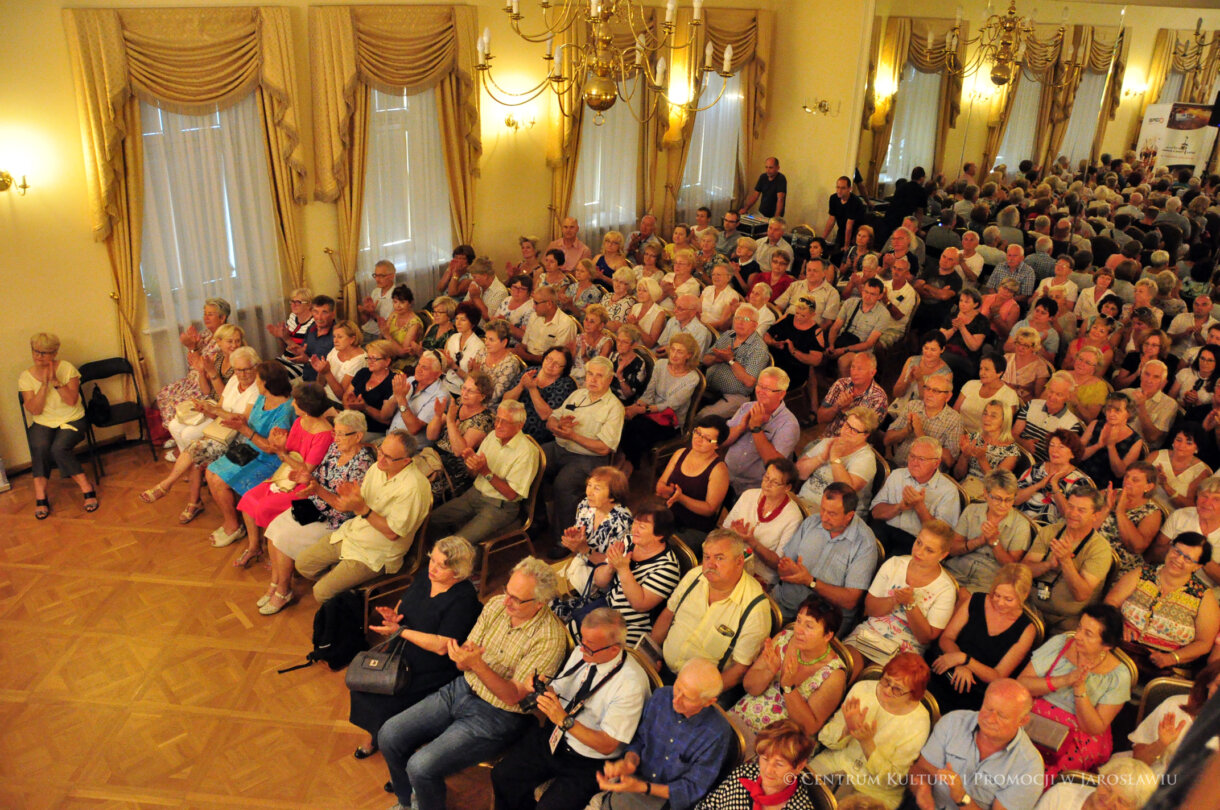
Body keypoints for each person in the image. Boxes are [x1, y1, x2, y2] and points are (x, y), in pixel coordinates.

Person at [379, 557, 566, 810]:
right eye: (507, 591)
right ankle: (407, 801)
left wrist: (477, 664)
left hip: (498, 715)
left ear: (540, 603)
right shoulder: (496, 605)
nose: (506, 601)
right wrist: (464, 659)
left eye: (516, 599)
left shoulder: (550, 638)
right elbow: (464, 660)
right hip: (463, 688)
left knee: (420, 766)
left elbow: (514, 696)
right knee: (389, 735)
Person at [491, 609, 650, 810]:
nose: (581, 650)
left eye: (589, 648)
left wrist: (565, 721)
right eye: (582, 641)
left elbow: (607, 745)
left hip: (590, 761)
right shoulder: (582, 652)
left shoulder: (631, 685)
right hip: (556, 738)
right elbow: (561, 690)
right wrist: (542, 690)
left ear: (614, 649)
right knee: (503, 776)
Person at [348, 536, 482, 759]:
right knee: (364, 685)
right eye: (432, 560)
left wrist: (399, 631)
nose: (433, 568)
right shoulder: (425, 577)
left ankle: (396, 746)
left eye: (442, 566)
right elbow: (404, 603)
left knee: (388, 696)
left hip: (432, 667)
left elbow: (442, 646)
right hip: (401, 652)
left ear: (458, 571)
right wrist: (395, 617)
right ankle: (376, 732)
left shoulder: (463, 599)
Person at [291, 429, 432, 607]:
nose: (380, 459)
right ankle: (350, 591)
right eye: (380, 451)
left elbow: (392, 534)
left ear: (406, 461)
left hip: (375, 553)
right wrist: (318, 489)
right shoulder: (377, 469)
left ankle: (352, 597)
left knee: (321, 593)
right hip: (353, 534)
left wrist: (362, 509)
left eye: (388, 457)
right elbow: (347, 506)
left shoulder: (414, 487)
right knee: (303, 565)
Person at [261, 409, 375, 607]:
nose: (336, 438)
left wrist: (317, 489)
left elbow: (346, 508)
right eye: (335, 432)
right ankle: (275, 583)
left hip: (336, 520)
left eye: (341, 434)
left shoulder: (362, 465)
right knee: (273, 529)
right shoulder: (335, 449)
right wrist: (307, 478)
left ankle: (283, 591)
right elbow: (319, 477)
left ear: (358, 436)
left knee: (283, 538)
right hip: (314, 506)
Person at [587, 658, 733, 810]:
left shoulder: (717, 734)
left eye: (687, 698)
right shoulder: (661, 696)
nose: (676, 700)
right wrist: (629, 763)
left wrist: (644, 788)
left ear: (709, 702)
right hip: (627, 788)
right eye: (678, 688)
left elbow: (692, 789)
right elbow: (640, 740)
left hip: (663, 803)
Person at [139, 347, 263, 523]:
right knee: (195, 449)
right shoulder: (234, 381)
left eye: (246, 369)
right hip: (221, 431)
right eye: (238, 370)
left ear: (256, 367)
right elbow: (220, 408)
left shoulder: (258, 387)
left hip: (240, 438)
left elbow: (243, 419)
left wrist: (216, 411)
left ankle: (173, 488)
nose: (242, 374)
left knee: (196, 450)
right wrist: (206, 409)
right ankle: (189, 499)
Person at [1016, 604, 1132, 778]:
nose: (1077, 636)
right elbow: (1021, 684)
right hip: (1034, 718)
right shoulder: (1060, 644)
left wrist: (1080, 689)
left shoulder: (1118, 676)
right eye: (1079, 627)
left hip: (1077, 735)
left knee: (1042, 772)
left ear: (1107, 645)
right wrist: (1064, 680)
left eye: (1088, 634)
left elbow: (1094, 727)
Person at [648, 529, 771, 692]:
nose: (710, 565)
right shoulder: (695, 576)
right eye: (707, 557)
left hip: (701, 691)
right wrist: (651, 656)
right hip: (661, 666)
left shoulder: (756, 609)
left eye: (719, 558)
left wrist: (699, 694)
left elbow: (739, 670)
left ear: (739, 561)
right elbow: (668, 615)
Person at [231, 383, 335, 569]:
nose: (292, 404)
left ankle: (276, 551)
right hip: (286, 475)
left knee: (264, 506)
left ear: (305, 407)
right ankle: (255, 546)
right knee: (249, 498)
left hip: (306, 485)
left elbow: (306, 471)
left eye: (296, 401)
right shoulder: (299, 421)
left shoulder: (324, 434)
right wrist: (278, 443)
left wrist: (282, 453)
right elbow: (288, 450)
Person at [810, 653, 932, 810]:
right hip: (836, 764)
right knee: (797, 791)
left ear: (914, 695)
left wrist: (867, 743)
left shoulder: (919, 721)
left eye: (897, 689)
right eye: (886, 680)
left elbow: (891, 779)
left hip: (875, 791)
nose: (887, 690)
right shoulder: (863, 689)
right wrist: (847, 730)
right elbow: (825, 739)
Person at [731, 596, 848, 752]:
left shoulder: (834, 675)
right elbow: (749, 687)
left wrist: (789, 687)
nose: (798, 630)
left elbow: (808, 728)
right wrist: (769, 671)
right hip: (740, 721)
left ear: (828, 635)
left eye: (809, 626)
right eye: (799, 621)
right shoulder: (784, 638)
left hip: (776, 747)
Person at [907, 680, 1043, 810]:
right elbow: (922, 768)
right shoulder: (953, 722)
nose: (990, 719)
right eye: (988, 708)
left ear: (1022, 721)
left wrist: (962, 797)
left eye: (1001, 716)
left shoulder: (1029, 767)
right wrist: (922, 789)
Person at [202, 362, 296, 549]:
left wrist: (244, 429)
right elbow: (251, 422)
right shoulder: (262, 398)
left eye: (258, 380)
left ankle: (233, 526)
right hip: (250, 449)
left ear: (267, 383)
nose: (255, 383)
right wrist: (239, 421)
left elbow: (272, 448)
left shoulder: (285, 410)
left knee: (219, 481)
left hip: (269, 459)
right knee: (210, 472)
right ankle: (233, 521)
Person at [843, 521, 957, 675]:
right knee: (843, 669)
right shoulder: (895, 564)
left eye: (929, 550)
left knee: (875, 681)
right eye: (919, 543)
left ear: (943, 555)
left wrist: (910, 604)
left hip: (905, 650)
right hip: (869, 635)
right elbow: (869, 609)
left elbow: (925, 638)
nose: (919, 552)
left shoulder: (946, 589)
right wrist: (894, 600)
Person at [424, 400, 539, 548]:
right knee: (432, 520)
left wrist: (485, 471)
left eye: (504, 422)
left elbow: (512, 495)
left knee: (458, 543)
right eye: (497, 419)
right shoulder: (492, 436)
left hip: (500, 506)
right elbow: (473, 474)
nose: (498, 425)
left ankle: (458, 557)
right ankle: (445, 555)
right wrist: (471, 463)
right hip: (475, 494)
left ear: (520, 425)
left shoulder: (527, 452)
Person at [542, 357, 625, 557]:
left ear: (609, 379)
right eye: (590, 374)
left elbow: (604, 448)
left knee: (564, 485)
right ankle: (537, 519)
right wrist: (556, 425)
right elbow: (553, 417)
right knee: (530, 463)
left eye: (599, 376)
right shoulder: (577, 394)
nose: (593, 379)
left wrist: (572, 436)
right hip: (560, 447)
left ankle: (564, 540)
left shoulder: (614, 407)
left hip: (588, 458)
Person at [1106, 531, 1219, 677]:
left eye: (1187, 558)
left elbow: (1204, 643)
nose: (1178, 559)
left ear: (1198, 566)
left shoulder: (1203, 597)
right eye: (1176, 551)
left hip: (1165, 669)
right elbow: (1111, 602)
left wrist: (1172, 657)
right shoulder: (1141, 574)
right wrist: (1119, 621)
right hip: (1120, 652)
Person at [929, 565, 1037, 716]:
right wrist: (959, 662)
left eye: (1008, 599)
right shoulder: (976, 600)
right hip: (947, 666)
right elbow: (947, 638)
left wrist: (965, 660)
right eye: (996, 595)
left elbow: (998, 676)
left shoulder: (1027, 629)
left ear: (1024, 596)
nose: (1000, 603)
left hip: (975, 690)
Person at [770, 483, 879, 629]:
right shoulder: (812, 522)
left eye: (832, 514)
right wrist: (785, 568)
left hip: (823, 622)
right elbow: (784, 565)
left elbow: (850, 600)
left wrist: (810, 581)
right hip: (785, 604)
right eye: (823, 509)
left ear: (849, 516)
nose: (824, 517)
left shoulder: (864, 543)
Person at [19, 332, 97, 518]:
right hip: (43, 421)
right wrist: (44, 386)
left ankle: (86, 487)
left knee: (59, 448)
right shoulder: (25, 377)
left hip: (72, 418)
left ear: (54, 353)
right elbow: (35, 410)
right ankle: (40, 496)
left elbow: (71, 401)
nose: (38, 356)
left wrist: (55, 382)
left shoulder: (67, 368)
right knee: (39, 446)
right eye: (35, 351)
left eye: (44, 353)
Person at [585, 506, 682, 645]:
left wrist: (623, 569)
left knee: (597, 648)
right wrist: (611, 566)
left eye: (642, 527)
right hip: (607, 609)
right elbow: (599, 581)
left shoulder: (667, 567)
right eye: (635, 523)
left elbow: (640, 604)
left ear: (659, 535)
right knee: (575, 635)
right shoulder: (628, 541)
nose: (634, 529)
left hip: (632, 626)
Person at [1021, 484, 1111, 634]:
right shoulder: (1050, 531)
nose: (1073, 513)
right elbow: (1023, 571)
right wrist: (1048, 565)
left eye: (1081, 510)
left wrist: (1066, 561)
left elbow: (1081, 594)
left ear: (1095, 515)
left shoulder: (1100, 549)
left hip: (1067, 620)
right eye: (1070, 506)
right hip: (1031, 608)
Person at [618, 333, 702, 477]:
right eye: (673, 349)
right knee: (623, 422)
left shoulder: (692, 378)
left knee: (636, 430)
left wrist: (640, 410)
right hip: (649, 412)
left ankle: (628, 466)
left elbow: (671, 405)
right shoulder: (661, 365)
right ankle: (624, 461)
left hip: (670, 421)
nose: (674, 354)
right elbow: (649, 393)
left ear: (688, 355)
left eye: (679, 352)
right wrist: (634, 407)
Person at [552, 466, 633, 612]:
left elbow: (614, 565)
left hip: (606, 580)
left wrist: (584, 550)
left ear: (612, 496)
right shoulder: (585, 505)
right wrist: (575, 540)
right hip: (583, 564)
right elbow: (581, 543)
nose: (589, 492)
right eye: (589, 485)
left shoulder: (622, 520)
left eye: (597, 488)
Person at [693, 719, 817, 810]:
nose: (768, 770)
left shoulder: (800, 807)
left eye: (779, 764)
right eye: (765, 759)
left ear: (799, 767)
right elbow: (707, 806)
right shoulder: (744, 773)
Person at [870, 436, 962, 557]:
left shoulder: (949, 491)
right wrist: (899, 507)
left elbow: (941, 538)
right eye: (912, 456)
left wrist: (920, 507)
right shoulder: (897, 475)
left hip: (916, 542)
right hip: (885, 530)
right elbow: (875, 513)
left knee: (896, 561)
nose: (914, 463)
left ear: (936, 463)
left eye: (921, 459)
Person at [1128, 660, 1220, 775]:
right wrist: (1161, 744)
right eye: (1218, 687)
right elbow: (1138, 760)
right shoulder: (1176, 706)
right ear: (1209, 682)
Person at [947, 469, 1032, 592]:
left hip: (987, 581)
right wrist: (979, 541)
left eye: (1009, 499)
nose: (1003, 505)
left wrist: (994, 543)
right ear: (986, 494)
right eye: (997, 498)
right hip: (957, 569)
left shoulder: (1021, 525)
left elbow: (1012, 568)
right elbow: (952, 550)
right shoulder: (972, 510)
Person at [724, 458, 805, 586]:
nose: (767, 484)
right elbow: (724, 530)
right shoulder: (748, 495)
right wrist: (733, 533)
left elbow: (779, 564)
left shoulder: (793, 517)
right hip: (732, 560)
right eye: (766, 477)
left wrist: (752, 542)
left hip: (760, 575)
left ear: (787, 487)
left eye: (775, 482)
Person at [722, 367, 801, 496]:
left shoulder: (789, 424)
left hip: (755, 489)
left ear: (781, 394)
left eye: (767, 389)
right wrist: (741, 427)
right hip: (726, 476)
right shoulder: (746, 407)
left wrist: (756, 429)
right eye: (759, 385)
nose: (760, 391)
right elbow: (722, 441)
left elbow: (775, 464)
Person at [656, 416, 731, 545]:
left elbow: (709, 509)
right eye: (697, 432)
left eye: (707, 438)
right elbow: (661, 483)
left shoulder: (719, 469)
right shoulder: (680, 453)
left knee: (659, 545)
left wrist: (680, 498)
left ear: (717, 445)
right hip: (669, 516)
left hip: (694, 527)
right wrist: (665, 490)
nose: (698, 439)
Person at [154, 297, 231, 424]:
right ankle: (174, 428)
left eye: (210, 314)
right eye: (205, 314)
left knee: (174, 403)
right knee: (163, 394)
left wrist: (191, 347)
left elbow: (203, 366)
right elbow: (192, 363)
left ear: (222, 318)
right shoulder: (206, 334)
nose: (206, 318)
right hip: (192, 379)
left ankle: (179, 428)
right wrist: (192, 347)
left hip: (206, 384)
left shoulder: (225, 339)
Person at [425, 373, 495, 502]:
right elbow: (430, 436)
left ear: (482, 396)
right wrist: (438, 416)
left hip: (452, 472)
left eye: (470, 391)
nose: (464, 394)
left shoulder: (485, 419)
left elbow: (459, 451)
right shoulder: (458, 403)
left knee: (418, 491)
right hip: (432, 458)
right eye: (464, 388)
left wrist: (450, 422)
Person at [796, 406, 879, 510]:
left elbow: (846, 492)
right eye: (847, 425)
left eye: (854, 430)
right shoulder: (829, 442)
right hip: (803, 502)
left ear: (866, 435)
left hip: (833, 513)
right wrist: (821, 458)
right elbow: (798, 472)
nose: (847, 431)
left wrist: (835, 458)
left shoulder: (866, 459)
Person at [698, 305, 769, 418]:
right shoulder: (728, 335)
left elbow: (749, 381)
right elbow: (705, 359)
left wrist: (731, 360)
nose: (740, 322)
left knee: (703, 416)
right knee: (685, 402)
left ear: (755, 325)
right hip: (707, 386)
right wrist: (716, 359)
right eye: (738, 318)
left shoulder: (759, 349)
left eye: (746, 319)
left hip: (734, 396)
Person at [884, 373, 963, 469]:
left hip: (926, 474)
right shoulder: (913, 406)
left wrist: (921, 435)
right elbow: (886, 440)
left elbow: (950, 461)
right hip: (898, 466)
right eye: (927, 388)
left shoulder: (954, 419)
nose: (929, 394)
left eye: (936, 391)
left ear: (948, 397)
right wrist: (906, 431)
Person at [502, 347, 577, 447]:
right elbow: (505, 400)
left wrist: (532, 389)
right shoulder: (531, 371)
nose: (550, 365)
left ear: (564, 369)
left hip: (537, 431)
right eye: (548, 359)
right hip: (513, 420)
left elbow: (546, 415)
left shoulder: (566, 384)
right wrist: (521, 385)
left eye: (556, 364)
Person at [764, 296, 828, 412]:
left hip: (795, 370)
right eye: (797, 313)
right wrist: (773, 343)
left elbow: (816, 360)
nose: (798, 317)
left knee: (768, 382)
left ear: (812, 314)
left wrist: (794, 351)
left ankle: (769, 410)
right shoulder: (787, 318)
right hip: (774, 361)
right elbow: (767, 335)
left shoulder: (816, 332)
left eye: (803, 315)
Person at [1032, 757, 1157, 810]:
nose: (1108, 801)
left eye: (1121, 801)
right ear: (1101, 778)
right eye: (1108, 789)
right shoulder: (1062, 794)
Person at [825, 279, 893, 377]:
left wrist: (844, 350)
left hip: (862, 349)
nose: (867, 296)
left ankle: (846, 385)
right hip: (843, 340)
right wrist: (831, 345)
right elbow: (835, 327)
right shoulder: (850, 303)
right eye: (866, 292)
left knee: (843, 361)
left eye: (872, 294)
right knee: (817, 353)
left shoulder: (883, 314)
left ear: (880, 296)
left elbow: (869, 343)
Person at [1077, 393, 1145, 488]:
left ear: (1128, 413)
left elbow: (1120, 473)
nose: (1111, 414)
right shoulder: (1095, 424)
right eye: (1109, 409)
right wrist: (1098, 445)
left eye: (1117, 410)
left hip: (1106, 487)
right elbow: (1077, 455)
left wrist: (1111, 447)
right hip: (1080, 476)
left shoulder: (1136, 440)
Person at [955, 401, 1021, 500]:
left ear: (1004, 420)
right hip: (963, 489)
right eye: (985, 414)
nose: (987, 419)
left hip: (986, 496)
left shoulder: (1011, 451)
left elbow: (996, 485)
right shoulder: (973, 438)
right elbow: (957, 475)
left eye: (993, 416)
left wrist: (982, 459)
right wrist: (964, 456)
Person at [1014, 372, 1083, 463]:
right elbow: (1013, 434)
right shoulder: (1032, 405)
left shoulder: (1071, 424)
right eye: (1051, 391)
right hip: (1015, 453)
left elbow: (1061, 458)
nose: (1052, 397)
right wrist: (1023, 443)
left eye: (1059, 394)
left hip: (1041, 465)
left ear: (1068, 397)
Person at [387, 350, 449, 449]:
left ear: (437, 374)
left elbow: (414, 429)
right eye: (419, 365)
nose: (418, 369)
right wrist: (395, 397)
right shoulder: (410, 380)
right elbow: (385, 415)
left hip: (410, 449)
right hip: (389, 438)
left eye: (424, 367)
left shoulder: (440, 395)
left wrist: (401, 399)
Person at [817, 352, 889, 437]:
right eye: (853, 367)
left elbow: (866, 434)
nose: (854, 373)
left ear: (872, 373)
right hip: (829, 438)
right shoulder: (841, 384)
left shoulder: (879, 398)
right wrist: (836, 407)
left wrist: (847, 411)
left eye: (860, 369)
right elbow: (820, 419)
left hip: (853, 443)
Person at [954, 352, 1022, 435]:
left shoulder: (1009, 395)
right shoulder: (970, 384)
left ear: (999, 373)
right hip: (958, 432)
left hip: (985, 438)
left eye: (986, 369)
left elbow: (1004, 427)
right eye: (981, 368)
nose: (981, 373)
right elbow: (954, 412)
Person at [1148, 423, 1212, 508]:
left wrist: (1166, 486)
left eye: (1188, 443)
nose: (1181, 446)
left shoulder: (1202, 472)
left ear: (1197, 448)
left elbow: (1190, 507)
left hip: (1172, 513)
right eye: (1178, 440)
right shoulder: (1156, 455)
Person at [343, 339, 397, 434]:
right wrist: (349, 405)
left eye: (374, 359)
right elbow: (346, 396)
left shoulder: (393, 382)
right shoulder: (363, 372)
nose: (369, 362)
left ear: (387, 361)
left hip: (373, 431)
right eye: (368, 358)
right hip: (352, 424)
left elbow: (386, 420)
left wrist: (365, 407)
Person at [1120, 360, 1175, 448]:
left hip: (1138, 449)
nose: (1149, 380)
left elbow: (1152, 438)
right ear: (1141, 376)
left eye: (1156, 377)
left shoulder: (1169, 404)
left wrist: (1141, 407)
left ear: (1162, 383)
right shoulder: (1126, 393)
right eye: (1147, 374)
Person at [517, 286, 579, 364]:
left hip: (546, 364)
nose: (533, 306)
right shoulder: (534, 316)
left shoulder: (566, 324)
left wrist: (527, 357)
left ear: (549, 304)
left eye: (536, 303)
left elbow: (558, 359)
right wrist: (520, 352)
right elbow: (524, 343)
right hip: (526, 358)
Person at [309, 320, 367, 403]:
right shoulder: (335, 350)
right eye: (334, 336)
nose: (335, 341)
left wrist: (327, 373)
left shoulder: (359, 360)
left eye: (340, 337)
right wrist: (321, 370)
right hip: (323, 395)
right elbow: (321, 384)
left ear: (352, 339)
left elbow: (342, 396)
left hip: (336, 403)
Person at [893, 333, 953, 409]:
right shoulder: (912, 361)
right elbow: (896, 393)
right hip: (902, 406)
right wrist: (908, 381)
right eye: (926, 348)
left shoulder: (946, 374)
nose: (928, 353)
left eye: (933, 350)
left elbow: (933, 405)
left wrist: (920, 380)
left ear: (942, 349)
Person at [468, 319, 519, 405]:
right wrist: (471, 372)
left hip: (491, 406)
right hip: (473, 398)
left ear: (504, 342)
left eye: (491, 340)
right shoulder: (482, 352)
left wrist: (477, 376)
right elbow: (469, 383)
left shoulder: (510, 364)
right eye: (486, 338)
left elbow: (495, 396)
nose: (486, 343)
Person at [439, 301, 485, 397]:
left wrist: (453, 366)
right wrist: (442, 360)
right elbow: (445, 370)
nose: (458, 323)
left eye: (463, 320)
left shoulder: (479, 347)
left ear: (472, 323)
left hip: (462, 391)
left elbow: (474, 381)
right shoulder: (453, 338)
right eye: (456, 319)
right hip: (445, 384)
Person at [267, 287, 314, 378]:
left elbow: (305, 354)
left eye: (298, 302)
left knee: (271, 378)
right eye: (292, 301)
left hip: (300, 364)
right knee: (261, 372)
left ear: (309, 304)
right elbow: (284, 347)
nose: (293, 305)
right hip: (285, 359)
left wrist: (286, 338)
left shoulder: (313, 324)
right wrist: (280, 336)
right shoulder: (293, 316)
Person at [1003, 327, 1053, 404]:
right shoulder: (1006, 358)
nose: (1020, 348)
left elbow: (1038, 398)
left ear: (1034, 347)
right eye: (1019, 343)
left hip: (1023, 404)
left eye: (1026, 345)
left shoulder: (1040, 367)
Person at [379, 284, 423, 368]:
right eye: (395, 302)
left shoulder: (415, 324)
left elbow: (404, 354)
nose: (398, 306)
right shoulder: (394, 315)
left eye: (402, 302)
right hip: (389, 355)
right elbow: (382, 338)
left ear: (410, 303)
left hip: (406, 362)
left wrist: (388, 336)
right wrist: (382, 330)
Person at [609, 325, 651, 405]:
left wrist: (620, 376)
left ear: (634, 345)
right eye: (618, 340)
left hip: (624, 403)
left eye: (624, 342)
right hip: (608, 397)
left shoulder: (639, 364)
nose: (619, 344)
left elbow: (628, 395)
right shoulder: (613, 355)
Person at [825, 175, 866, 251]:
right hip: (842, 230)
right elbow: (831, 220)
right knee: (836, 252)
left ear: (850, 189)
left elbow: (849, 225)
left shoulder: (855, 201)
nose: (839, 191)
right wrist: (822, 239)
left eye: (843, 188)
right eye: (838, 187)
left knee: (849, 253)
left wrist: (846, 246)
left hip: (857, 233)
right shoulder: (833, 198)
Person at [359, 259, 398, 341]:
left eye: (381, 276)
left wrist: (372, 313)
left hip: (381, 336)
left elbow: (388, 325)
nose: (377, 279)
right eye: (375, 275)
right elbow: (365, 321)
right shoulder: (375, 291)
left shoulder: (397, 295)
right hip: (366, 332)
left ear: (392, 276)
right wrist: (365, 312)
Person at [496, 274, 536, 345]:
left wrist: (506, 324)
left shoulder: (531, 308)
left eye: (522, 289)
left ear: (529, 291)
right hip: (498, 340)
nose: (517, 291)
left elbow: (524, 337)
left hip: (515, 346)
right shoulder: (507, 299)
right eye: (514, 287)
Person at [463, 257, 508, 322]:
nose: (473, 280)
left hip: (485, 327)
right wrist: (472, 298)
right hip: (470, 323)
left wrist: (476, 298)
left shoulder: (500, 291)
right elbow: (463, 308)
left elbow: (489, 318)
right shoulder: (476, 284)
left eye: (475, 277)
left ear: (485, 276)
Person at [700, 263, 742, 331]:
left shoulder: (732, 295)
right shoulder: (707, 289)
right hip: (700, 326)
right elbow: (698, 310)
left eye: (718, 275)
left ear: (728, 277)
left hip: (714, 330)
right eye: (713, 274)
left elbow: (722, 323)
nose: (715, 277)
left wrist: (703, 327)